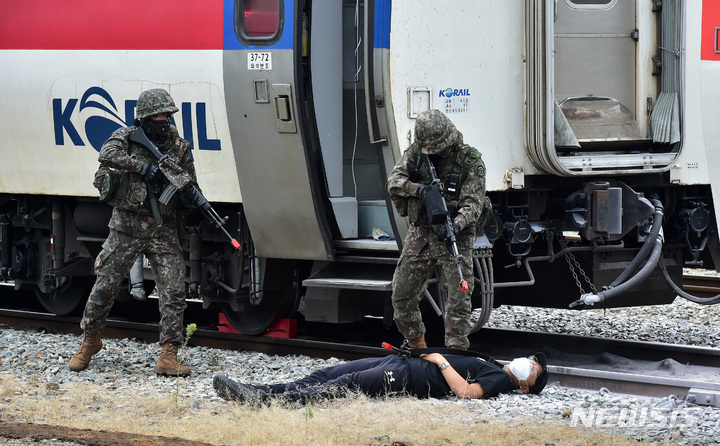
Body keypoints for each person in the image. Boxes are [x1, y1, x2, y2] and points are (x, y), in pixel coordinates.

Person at [69, 88, 199, 376]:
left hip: (162, 229)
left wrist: (193, 203)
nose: (164, 119)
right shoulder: (126, 138)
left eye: (167, 114)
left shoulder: (179, 147)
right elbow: (107, 153)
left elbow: (191, 182)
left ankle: (169, 353)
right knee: (105, 284)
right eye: (157, 115)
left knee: (174, 291)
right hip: (126, 226)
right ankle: (90, 339)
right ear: (144, 118)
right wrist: (143, 167)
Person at [386, 109, 487, 350]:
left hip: (455, 236)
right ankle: (416, 346)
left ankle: (456, 354)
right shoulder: (416, 153)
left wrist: (456, 224)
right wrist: (419, 190)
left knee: (459, 300)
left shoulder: (471, 161)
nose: (435, 153)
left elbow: (473, 205)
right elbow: (394, 182)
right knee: (401, 294)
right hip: (422, 232)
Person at [213, 351, 548, 405]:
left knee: (342, 386)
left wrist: (441, 361)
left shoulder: (502, 382)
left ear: (525, 385)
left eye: (533, 370)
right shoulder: (494, 365)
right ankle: (259, 390)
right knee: (327, 374)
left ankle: (266, 402)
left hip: (407, 377)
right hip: (400, 362)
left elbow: (465, 392)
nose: (528, 363)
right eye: (532, 361)